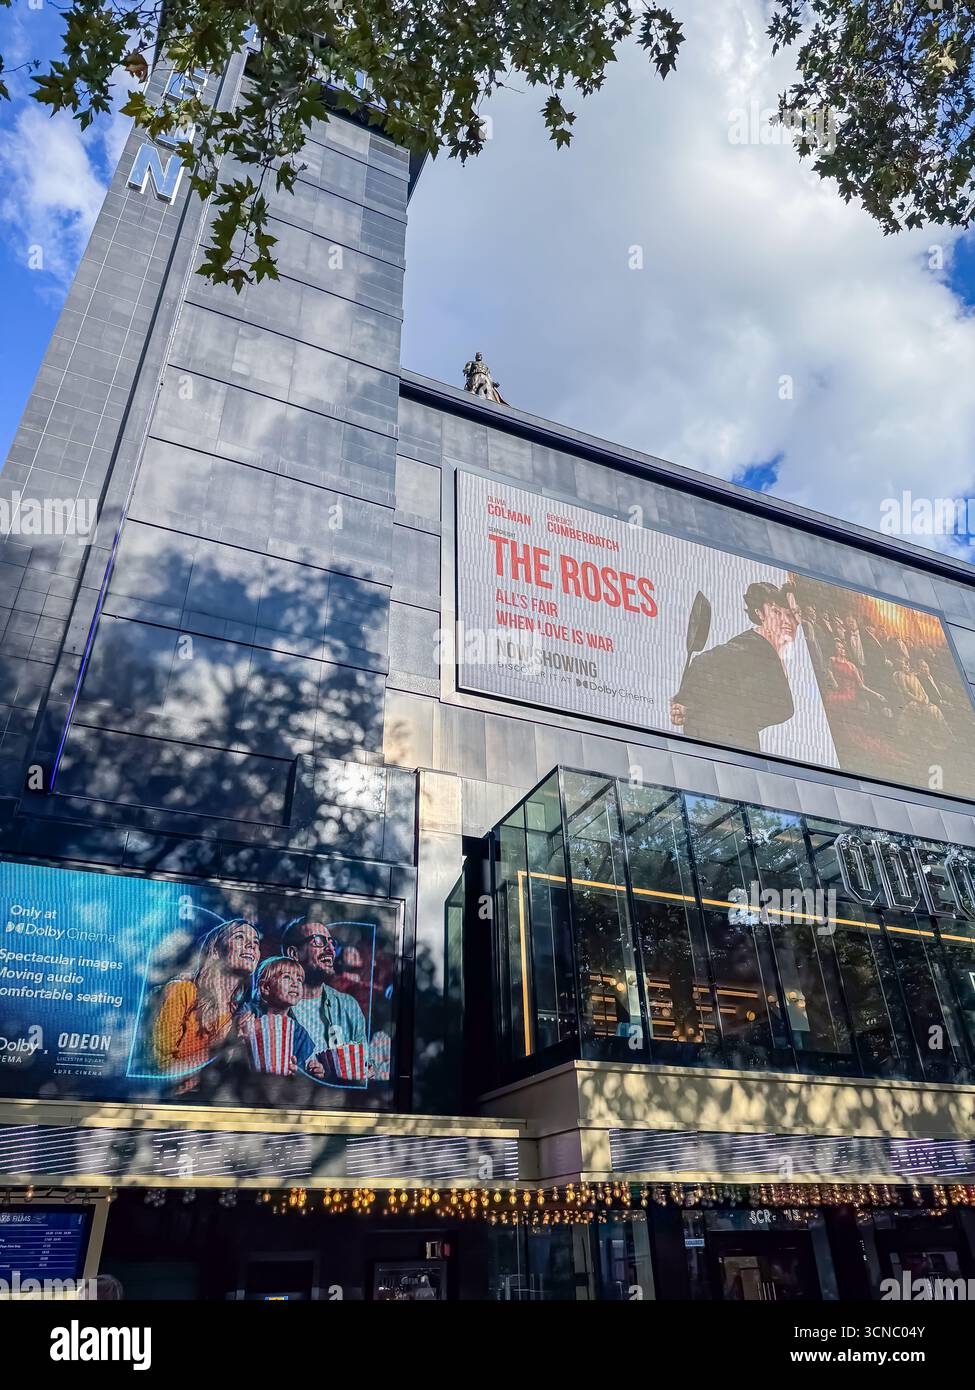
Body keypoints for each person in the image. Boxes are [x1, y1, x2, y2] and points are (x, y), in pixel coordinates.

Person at [670, 581, 800, 754]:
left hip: (736, 750)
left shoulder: (770, 651)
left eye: (789, 614)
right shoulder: (751, 645)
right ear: (760, 614)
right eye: (775, 612)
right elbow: (703, 662)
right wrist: (686, 701)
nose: (785, 621)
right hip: (721, 749)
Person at [151, 918, 260, 1075]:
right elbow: (161, 1067)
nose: (251, 945)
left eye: (256, 942)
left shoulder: (242, 1013)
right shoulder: (183, 991)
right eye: (239, 937)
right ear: (215, 950)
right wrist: (220, 1048)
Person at [282, 918, 368, 1056]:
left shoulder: (349, 1006)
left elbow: (365, 1066)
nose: (330, 949)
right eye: (318, 940)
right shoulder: (272, 1006)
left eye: (331, 942)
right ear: (294, 954)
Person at [237, 956, 325, 1078]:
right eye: (287, 977)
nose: (295, 984)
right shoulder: (248, 1015)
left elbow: (300, 1069)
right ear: (266, 988)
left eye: (299, 979)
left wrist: (311, 1072)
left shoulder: (299, 1032)